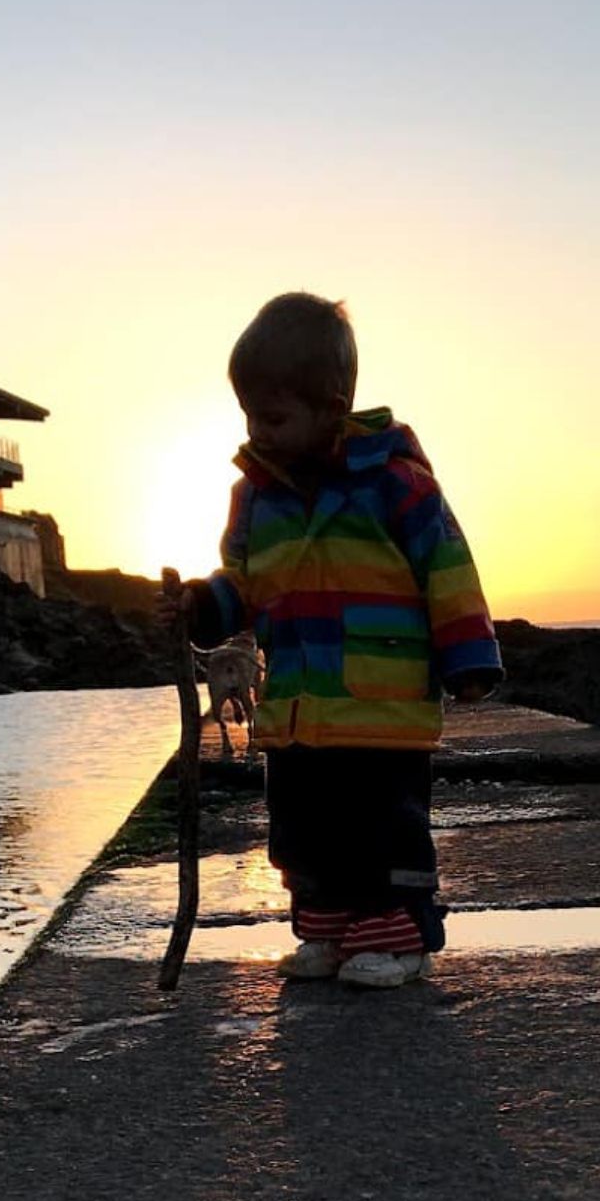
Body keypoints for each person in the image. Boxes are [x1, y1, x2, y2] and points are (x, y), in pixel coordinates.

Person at [158, 292, 501, 988]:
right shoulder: (254, 497)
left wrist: (467, 656)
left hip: (382, 711)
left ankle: (398, 936)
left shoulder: (397, 485)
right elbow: (246, 585)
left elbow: (447, 567)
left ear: (333, 402)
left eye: (275, 416)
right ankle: (329, 930)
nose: (259, 430)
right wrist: (200, 606)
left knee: (383, 830)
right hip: (292, 711)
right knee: (302, 832)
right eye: (250, 414)